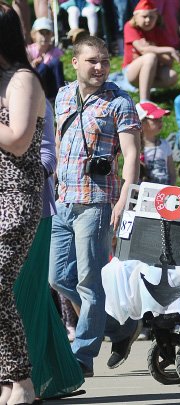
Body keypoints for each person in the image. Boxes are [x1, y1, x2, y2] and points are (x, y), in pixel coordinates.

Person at [48, 35, 142, 379]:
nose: (100, 67)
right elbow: (58, 143)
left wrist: (124, 198)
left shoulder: (120, 102)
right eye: (92, 61)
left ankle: (83, 357)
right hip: (62, 200)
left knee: (90, 283)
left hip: (97, 201)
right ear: (75, 63)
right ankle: (120, 328)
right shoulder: (62, 96)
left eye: (104, 60)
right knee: (58, 278)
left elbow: (131, 153)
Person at [13, 100, 84, 400]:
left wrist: (12, 179)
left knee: (21, 298)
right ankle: (57, 376)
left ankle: (27, 381)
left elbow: (48, 157)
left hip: (31, 213)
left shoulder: (32, 99)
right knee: (36, 300)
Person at [0, 2, 47, 403]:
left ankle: (22, 380)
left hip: (16, 196)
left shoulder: (22, 80)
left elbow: (18, 140)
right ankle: (7, 378)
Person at [123, 0, 180, 102]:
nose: (148, 20)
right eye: (144, 16)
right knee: (150, 57)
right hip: (131, 71)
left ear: (157, 17)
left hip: (154, 70)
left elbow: (169, 61)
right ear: (135, 17)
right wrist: (168, 50)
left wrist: (151, 49)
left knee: (172, 76)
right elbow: (142, 49)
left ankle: (144, 86)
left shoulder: (159, 29)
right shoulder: (130, 27)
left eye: (152, 17)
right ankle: (144, 100)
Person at [136, 101, 176, 185]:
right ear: (142, 122)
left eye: (161, 118)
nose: (160, 121)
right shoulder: (136, 147)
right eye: (155, 119)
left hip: (164, 191)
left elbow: (172, 172)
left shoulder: (164, 144)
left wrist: (172, 187)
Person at [27, 17, 64, 100]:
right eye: (41, 33)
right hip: (35, 83)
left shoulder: (56, 51)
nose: (44, 36)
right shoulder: (29, 51)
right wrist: (33, 64)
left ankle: (61, 96)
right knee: (42, 67)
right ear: (34, 34)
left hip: (52, 85)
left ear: (52, 35)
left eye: (47, 33)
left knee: (56, 62)